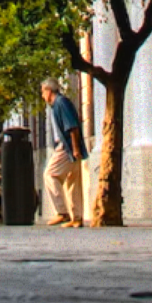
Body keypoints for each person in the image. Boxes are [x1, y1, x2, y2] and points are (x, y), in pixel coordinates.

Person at [41, 78, 87, 228]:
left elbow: (72, 127)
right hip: (70, 147)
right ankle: (77, 218)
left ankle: (62, 212)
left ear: (48, 91)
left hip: (67, 147)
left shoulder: (60, 103)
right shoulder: (58, 105)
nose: (42, 96)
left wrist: (74, 149)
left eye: (42, 92)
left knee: (49, 174)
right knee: (72, 181)